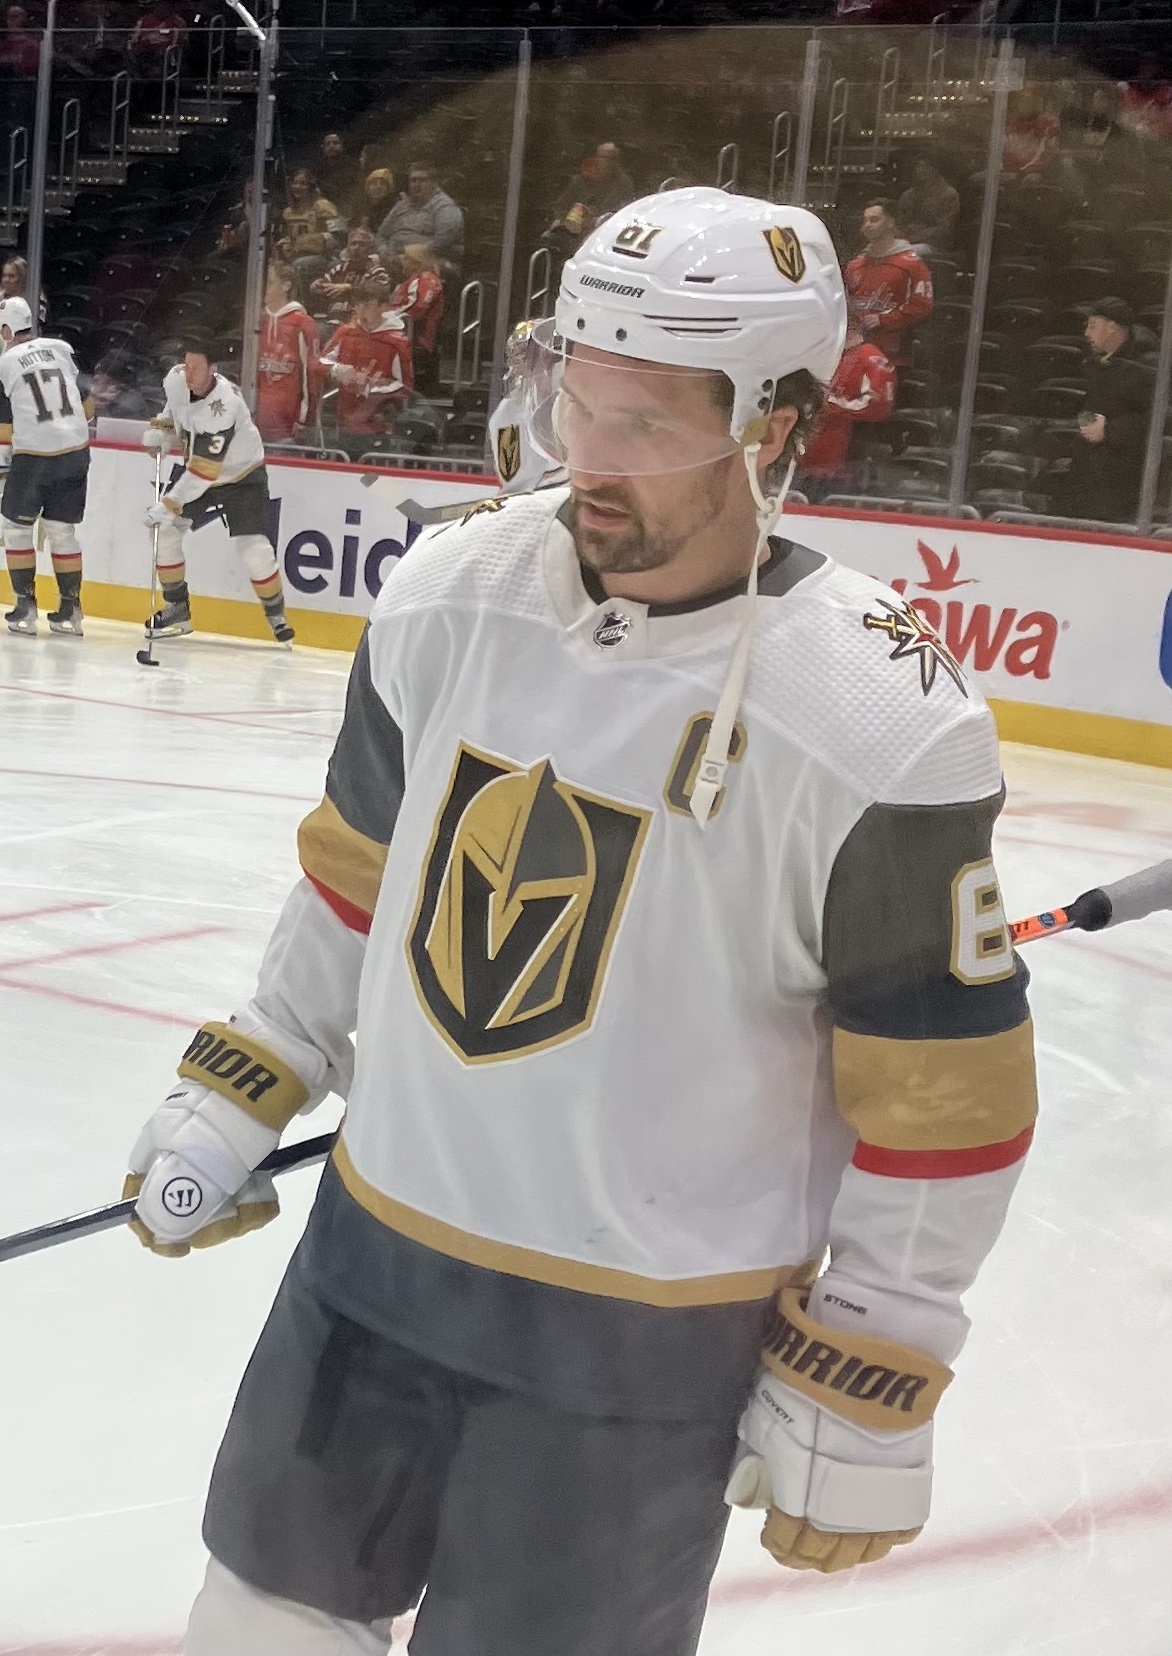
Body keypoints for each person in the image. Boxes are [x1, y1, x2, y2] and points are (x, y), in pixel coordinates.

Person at [124, 187, 1037, 1655]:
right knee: (253, 1623)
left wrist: (873, 1353)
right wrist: (250, 1069)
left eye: (646, 423)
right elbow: (360, 873)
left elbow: (945, 1098)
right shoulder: (447, 595)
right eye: (571, 400)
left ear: (777, 428)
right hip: (371, 1269)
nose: (583, 463)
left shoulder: (880, 723)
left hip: (643, 1339)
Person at [140, 342, 294, 644]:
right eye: (187, 365)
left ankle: (276, 615)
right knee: (164, 532)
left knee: (254, 550)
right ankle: (176, 608)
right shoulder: (176, 379)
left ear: (214, 369)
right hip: (199, 469)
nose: (189, 374)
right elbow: (174, 410)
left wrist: (170, 504)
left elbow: (204, 472)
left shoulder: (224, 406)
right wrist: (161, 430)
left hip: (241, 476)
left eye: (197, 368)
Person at [0, 295, 92, 637]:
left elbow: (3, 427)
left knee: (17, 528)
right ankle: (71, 610)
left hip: (35, 457)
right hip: (76, 451)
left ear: (7, 330)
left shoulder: (6, 363)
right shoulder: (61, 348)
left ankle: (26, 607)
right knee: (62, 531)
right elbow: (90, 406)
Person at [1063, 296, 1157, 525]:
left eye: (1093, 326)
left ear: (1112, 328)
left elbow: (1156, 421)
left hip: (1117, 493)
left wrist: (1110, 430)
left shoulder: (1145, 368)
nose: (1086, 333)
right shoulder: (1092, 365)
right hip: (1085, 483)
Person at [799, 310, 896, 494]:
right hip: (811, 457)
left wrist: (828, 403)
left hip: (842, 464)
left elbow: (879, 405)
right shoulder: (829, 356)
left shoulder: (870, 358)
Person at [317, 281, 412, 458]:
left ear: (383, 307)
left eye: (368, 305)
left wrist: (370, 387)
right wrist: (337, 369)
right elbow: (320, 361)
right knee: (343, 475)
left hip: (378, 425)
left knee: (371, 481)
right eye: (358, 304)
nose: (361, 310)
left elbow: (405, 386)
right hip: (345, 421)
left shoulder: (397, 341)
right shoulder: (345, 332)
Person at [843, 199, 933, 368]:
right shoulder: (855, 265)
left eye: (874, 220)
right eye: (865, 221)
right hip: (854, 353)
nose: (867, 225)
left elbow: (922, 305)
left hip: (894, 356)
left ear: (891, 222)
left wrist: (884, 320)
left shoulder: (911, 264)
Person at [542, 140, 637, 261]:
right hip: (572, 230)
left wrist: (596, 220)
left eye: (612, 159)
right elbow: (561, 205)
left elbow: (626, 213)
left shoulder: (624, 184)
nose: (607, 162)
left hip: (602, 233)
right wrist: (559, 219)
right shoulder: (581, 180)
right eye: (603, 158)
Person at [256, 264, 319, 445]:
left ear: (286, 285)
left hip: (287, 427)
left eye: (270, 282)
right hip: (254, 423)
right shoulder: (257, 320)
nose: (264, 288)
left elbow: (311, 373)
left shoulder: (303, 323)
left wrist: (304, 419)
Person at [377, 162, 464, 273]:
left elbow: (447, 236)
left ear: (434, 183)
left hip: (429, 263)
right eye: (413, 180)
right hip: (392, 261)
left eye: (422, 180)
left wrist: (414, 253)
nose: (416, 184)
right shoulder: (401, 206)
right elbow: (382, 234)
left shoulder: (444, 206)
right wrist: (383, 252)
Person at [276, 168, 345, 302]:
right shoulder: (288, 212)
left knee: (299, 265)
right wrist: (284, 243)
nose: (298, 187)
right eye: (295, 183)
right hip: (294, 254)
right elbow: (286, 235)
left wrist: (315, 241)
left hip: (324, 256)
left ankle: (300, 306)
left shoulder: (324, 207)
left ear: (311, 186)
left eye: (303, 183)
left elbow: (339, 235)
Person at [388, 242, 443, 395]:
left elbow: (418, 308)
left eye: (405, 256)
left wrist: (386, 317)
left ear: (416, 260)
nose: (401, 258)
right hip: (400, 329)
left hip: (417, 336)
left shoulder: (426, 279)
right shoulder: (407, 281)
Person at [310, 226, 391, 323]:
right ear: (347, 248)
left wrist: (350, 289)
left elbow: (379, 294)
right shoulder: (338, 270)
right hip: (333, 319)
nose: (357, 248)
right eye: (353, 244)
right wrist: (317, 286)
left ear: (370, 250)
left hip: (363, 322)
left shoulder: (378, 271)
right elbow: (323, 286)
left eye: (362, 244)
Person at [896, 155, 959, 258]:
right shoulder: (908, 195)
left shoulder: (949, 194)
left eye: (926, 166)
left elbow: (944, 229)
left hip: (935, 245)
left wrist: (915, 236)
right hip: (905, 241)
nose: (920, 170)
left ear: (935, 169)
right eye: (918, 166)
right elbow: (899, 223)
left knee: (901, 253)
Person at [87, 353, 152, 420]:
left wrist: (102, 408)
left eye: (110, 382)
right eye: (97, 381)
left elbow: (118, 426)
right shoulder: (86, 400)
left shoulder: (132, 402)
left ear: (122, 386)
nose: (100, 387)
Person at [1, 255, 47, 328]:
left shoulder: (35, 300)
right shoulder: (1, 298)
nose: (6, 280)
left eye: (12, 276)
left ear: (23, 278)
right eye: (4, 275)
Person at [355, 166, 396, 233]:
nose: (378, 187)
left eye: (382, 184)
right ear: (367, 188)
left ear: (388, 189)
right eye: (374, 183)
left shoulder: (393, 211)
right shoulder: (359, 209)